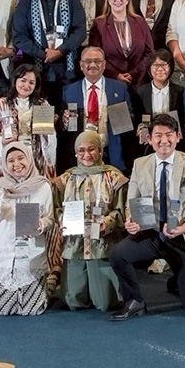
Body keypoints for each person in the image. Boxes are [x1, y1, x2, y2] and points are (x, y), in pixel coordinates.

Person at [109, 114, 185, 319]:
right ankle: (134, 300)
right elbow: (131, 202)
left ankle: (177, 280)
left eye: (169, 135)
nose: (164, 140)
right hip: (151, 232)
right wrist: (131, 220)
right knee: (117, 254)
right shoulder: (140, 164)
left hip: (182, 236)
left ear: (178, 136)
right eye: (158, 135)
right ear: (149, 139)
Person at [58, 131, 129, 312]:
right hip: (76, 245)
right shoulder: (66, 179)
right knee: (74, 302)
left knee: (105, 303)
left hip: (101, 245)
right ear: (75, 153)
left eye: (92, 149)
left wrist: (108, 222)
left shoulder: (113, 177)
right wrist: (61, 220)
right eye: (81, 150)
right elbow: (56, 208)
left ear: (100, 150)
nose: (86, 155)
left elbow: (123, 211)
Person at [0, 142, 54, 315]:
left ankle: (50, 282)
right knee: (3, 309)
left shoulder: (43, 187)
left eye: (21, 158)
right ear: (5, 164)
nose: (16, 164)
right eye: (11, 161)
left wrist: (40, 224)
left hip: (31, 254)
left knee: (32, 310)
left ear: (29, 159)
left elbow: (50, 219)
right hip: (6, 253)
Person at [12, 0, 87, 105]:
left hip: (68, 72)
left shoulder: (71, 0)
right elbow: (19, 37)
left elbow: (80, 31)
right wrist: (43, 54)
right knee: (40, 114)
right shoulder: (25, 3)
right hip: (36, 75)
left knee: (69, 113)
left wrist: (60, 51)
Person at [60, 45, 134, 175]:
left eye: (97, 61)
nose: (93, 65)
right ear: (81, 65)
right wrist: (64, 122)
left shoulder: (120, 88)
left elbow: (130, 120)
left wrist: (124, 119)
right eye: (88, 61)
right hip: (82, 155)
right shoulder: (69, 91)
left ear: (104, 65)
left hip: (112, 152)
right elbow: (63, 127)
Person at [0, 64, 59, 180]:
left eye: (31, 82)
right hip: (10, 157)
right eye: (23, 80)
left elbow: (50, 138)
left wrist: (47, 133)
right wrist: (2, 141)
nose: (26, 86)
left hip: (36, 159)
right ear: (15, 80)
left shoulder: (42, 104)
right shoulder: (1, 104)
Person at [90, 0, 154, 86]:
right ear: (108, 0)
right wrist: (116, 75)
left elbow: (149, 52)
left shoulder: (140, 22)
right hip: (111, 81)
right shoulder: (99, 24)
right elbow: (96, 55)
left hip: (138, 81)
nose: (118, 0)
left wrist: (133, 73)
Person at [136, 49, 185, 155]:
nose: (160, 69)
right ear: (149, 68)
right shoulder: (140, 92)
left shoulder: (180, 92)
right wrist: (139, 129)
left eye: (164, 65)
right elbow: (136, 118)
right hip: (148, 144)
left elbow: (183, 118)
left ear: (171, 67)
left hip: (173, 143)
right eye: (156, 65)